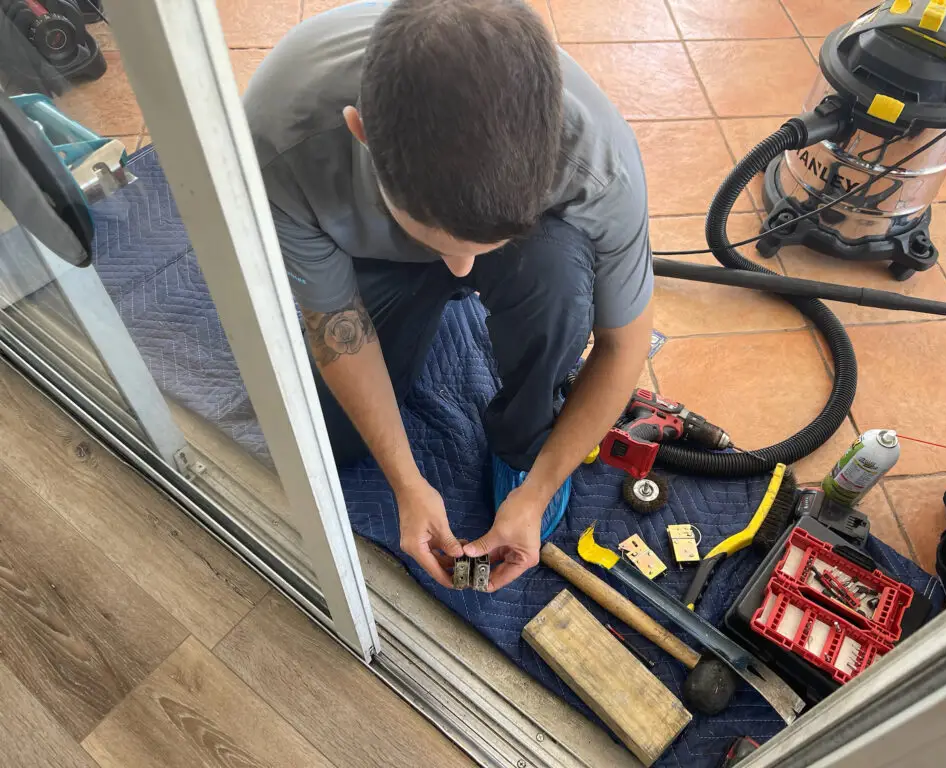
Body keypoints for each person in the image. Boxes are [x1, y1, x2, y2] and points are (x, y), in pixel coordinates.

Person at [244, 0, 653, 592]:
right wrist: (406, 480)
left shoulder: (599, 161)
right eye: (432, 235)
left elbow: (621, 348)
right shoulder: (278, 139)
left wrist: (537, 489)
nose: (464, 270)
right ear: (360, 133)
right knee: (329, 439)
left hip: (535, 260)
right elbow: (334, 321)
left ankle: (521, 440)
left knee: (557, 277)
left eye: (486, 245)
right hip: (366, 260)